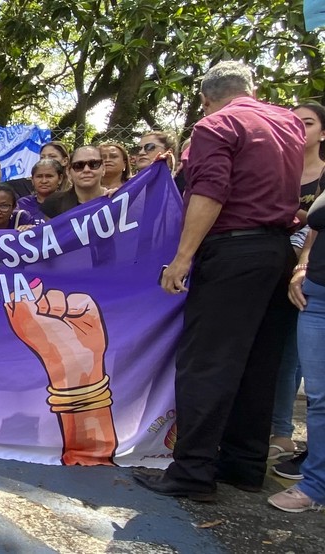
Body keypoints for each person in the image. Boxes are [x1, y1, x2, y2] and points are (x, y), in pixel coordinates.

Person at [135, 60, 305, 501]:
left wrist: (182, 257)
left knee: (207, 364)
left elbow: (211, 190)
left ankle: (192, 472)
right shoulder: (288, 123)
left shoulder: (216, 125)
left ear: (207, 99)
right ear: (252, 88)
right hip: (277, 253)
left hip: (232, 253)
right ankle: (244, 465)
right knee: (258, 364)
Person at [269, 102, 325, 461]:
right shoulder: (278, 167)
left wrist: (301, 264)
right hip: (271, 261)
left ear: (322, 132)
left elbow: (317, 225)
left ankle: (282, 432)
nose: (298, 128)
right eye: (293, 121)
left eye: (307, 122)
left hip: (306, 269)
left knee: (292, 354)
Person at [269, 193, 325, 512]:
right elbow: (316, 226)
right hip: (316, 297)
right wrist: (302, 267)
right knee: (319, 398)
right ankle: (316, 486)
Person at [40, 146, 106, 219]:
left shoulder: (116, 200)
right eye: (78, 165)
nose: (86, 170)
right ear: (68, 171)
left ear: (103, 169)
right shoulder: (54, 203)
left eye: (93, 164)